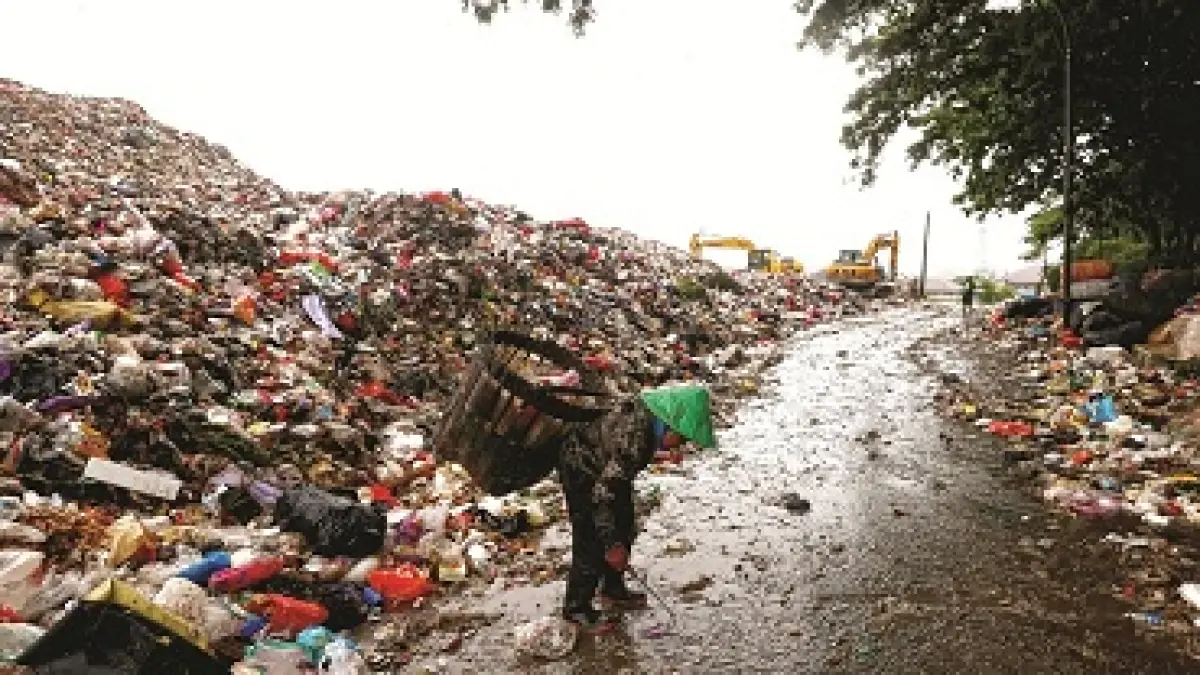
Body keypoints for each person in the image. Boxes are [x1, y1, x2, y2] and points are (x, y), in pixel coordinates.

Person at [555, 385, 717, 632]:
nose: (680, 446)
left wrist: (660, 455)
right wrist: (611, 544)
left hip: (606, 467)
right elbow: (601, 494)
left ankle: (613, 589)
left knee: (626, 523)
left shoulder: (651, 416)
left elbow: (621, 460)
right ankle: (576, 610)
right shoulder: (635, 438)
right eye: (681, 439)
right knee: (590, 539)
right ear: (671, 426)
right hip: (581, 467)